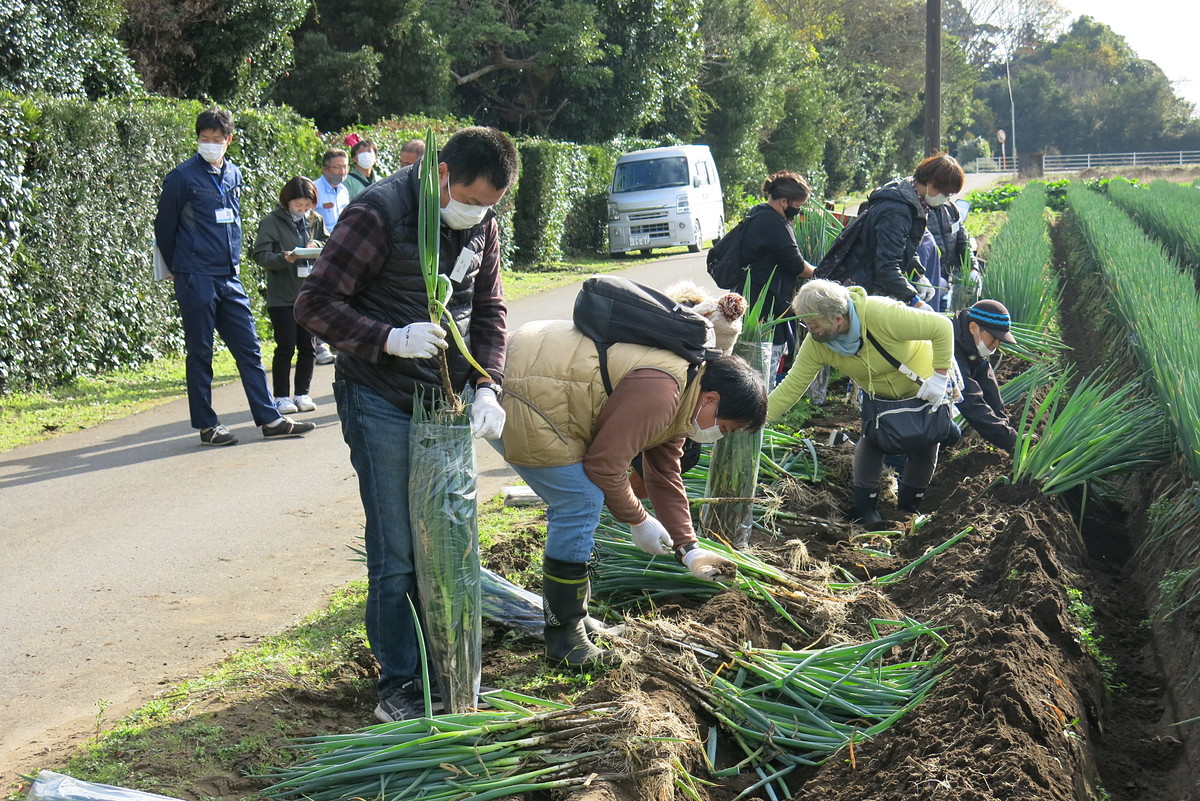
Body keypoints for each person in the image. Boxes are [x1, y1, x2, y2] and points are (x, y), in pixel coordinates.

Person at [294, 126, 519, 724]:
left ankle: (451, 673)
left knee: (447, 544)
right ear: (442, 175)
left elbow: (490, 307)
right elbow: (313, 303)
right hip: (380, 395)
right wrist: (388, 339)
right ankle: (401, 684)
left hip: (444, 404)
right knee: (398, 551)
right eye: (469, 199)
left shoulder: (483, 223)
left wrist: (488, 383)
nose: (475, 214)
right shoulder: (379, 212)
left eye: (488, 206)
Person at [499, 324, 765, 666]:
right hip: (528, 386)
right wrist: (639, 520)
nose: (719, 436)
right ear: (711, 399)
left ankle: (578, 622)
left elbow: (665, 473)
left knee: (584, 498)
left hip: (545, 379)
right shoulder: (663, 392)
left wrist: (689, 550)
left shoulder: (686, 394)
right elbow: (604, 467)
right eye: (724, 428)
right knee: (580, 501)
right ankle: (565, 641)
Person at [153, 107, 315, 446]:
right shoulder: (182, 177)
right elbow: (164, 227)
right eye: (203, 139)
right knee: (201, 350)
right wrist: (172, 267)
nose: (209, 144)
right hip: (195, 273)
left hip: (229, 274)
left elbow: (233, 222)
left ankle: (269, 418)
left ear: (229, 140)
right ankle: (208, 425)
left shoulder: (234, 175)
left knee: (249, 347)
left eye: (216, 139)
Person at [767, 280, 954, 527]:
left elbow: (942, 326)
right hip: (879, 400)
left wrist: (939, 377)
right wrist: (758, 418)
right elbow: (793, 386)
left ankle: (909, 508)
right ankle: (866, 511)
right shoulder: (819, 343)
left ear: (838, 319)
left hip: (921, 391)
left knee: (925, 441)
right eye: (806, 323)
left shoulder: (882, 315)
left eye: (814, 326)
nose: (810, 331)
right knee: (872, 440)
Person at [845, 153, 966, 307]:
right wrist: (914, 300)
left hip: (873, 286)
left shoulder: (911, 199)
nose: (946, 199)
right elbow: (886, 265)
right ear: (930, 183)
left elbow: (902, 246)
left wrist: (918, 275)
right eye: (945, 194)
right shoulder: (897, 210)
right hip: (865, 289)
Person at [253, 176, 328, 415]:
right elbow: (260, 255)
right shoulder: (271, 222)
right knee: (285, 346)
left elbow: (329, 243)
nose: (303, 210)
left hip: (310, 294)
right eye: (298, 205)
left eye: (307, 206)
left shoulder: (316, 220)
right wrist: (283, 258)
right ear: (287, 202)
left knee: (309, 347)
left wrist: (314, 245)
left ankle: (303, 393)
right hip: (282, 295)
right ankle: (281, 396)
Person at [739, 171, 816, 380]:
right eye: (798, 206)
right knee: (767, 363)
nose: (798, 211)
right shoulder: (775, 224)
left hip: (753, 296)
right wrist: (819, 273)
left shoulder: (756, 213)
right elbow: (796, 265)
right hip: (769, 302)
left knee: (752, 361)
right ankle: (767, 406)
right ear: (784, 201)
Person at [954, 299, 1019, 453]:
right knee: (947, 433)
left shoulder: (976, 345)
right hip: (908, 408)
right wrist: (1010, 440)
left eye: (1000, 340)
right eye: (994, 338)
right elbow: (970, 401)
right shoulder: (951, 346)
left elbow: (990, 392)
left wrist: (1007, 429)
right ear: (973, 327)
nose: (996, 345)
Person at [313, 148, 351, 365]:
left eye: (345, 167)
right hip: (322, 251)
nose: (342, 171)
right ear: (325, 169)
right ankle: (320, 346)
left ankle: (339, 340)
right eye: (337, 167)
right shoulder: (315, 189)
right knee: (322, 296)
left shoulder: (344, 191)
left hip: (343, 250)